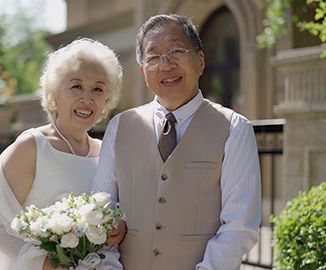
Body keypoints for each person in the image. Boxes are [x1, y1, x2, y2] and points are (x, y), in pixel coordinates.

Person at [93, 14, 261, 269]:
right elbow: (102, 208)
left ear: (200, 61)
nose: (166, 65)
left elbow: (240, 225)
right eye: (153, 57)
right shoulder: (119, 128)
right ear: (143, 71)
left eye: (176, 51)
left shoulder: (235, 129)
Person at [0, 38, 124, 270]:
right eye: (76, 86)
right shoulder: (31, 147)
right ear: (55, 92)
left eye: (97, 89)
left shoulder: (106, 153)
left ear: (106, 101)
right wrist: (46, 263)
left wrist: (118, 227)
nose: (87, 98)